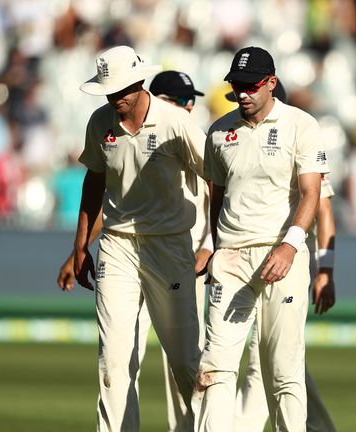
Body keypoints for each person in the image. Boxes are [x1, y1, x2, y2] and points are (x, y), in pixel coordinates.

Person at [57, 69, 211, 432]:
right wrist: (79, 247)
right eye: (107, 91)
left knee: (187, 362)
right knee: (113, 360)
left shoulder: (176, 123)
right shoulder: (100, 122)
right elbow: (97, 183)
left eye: (120, 90)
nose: (113, 98)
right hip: (119, 246)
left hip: (172, 247)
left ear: (139, 83)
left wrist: (216, 245)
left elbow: (216, 180)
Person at [193, 46, 330, 432]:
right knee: (213, 369)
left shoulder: (300, 125)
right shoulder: (220, 131)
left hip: (280, 256)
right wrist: (214, 247)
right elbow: (216, 196)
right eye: (237, 86)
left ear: (271, 83)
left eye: (251, 86)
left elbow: (311, 194)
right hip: (232, 259)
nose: (243, 94)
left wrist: (290, 244)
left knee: (282, 371)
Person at [230, 82, 338, 432]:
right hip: (249, 259)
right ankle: (321, 427)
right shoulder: (243, 141)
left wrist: (326, 270)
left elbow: (323, 210)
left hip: (284, 264)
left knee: (270, 364)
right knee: (284, 362)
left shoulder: (298, 139)